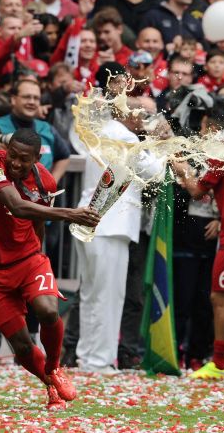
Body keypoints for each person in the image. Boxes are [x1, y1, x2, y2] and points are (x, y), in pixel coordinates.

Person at [0, 128, 100, 409]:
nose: (15, 163)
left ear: (36, 159)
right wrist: (71, 214)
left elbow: (37, 223)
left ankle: (54, 368)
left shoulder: (45, 180)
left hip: (29, 259)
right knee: (21, 345)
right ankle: (51, 385)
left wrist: (38, 259)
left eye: (23, 159)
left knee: (48, 310)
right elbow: (18, 207)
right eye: (12, 156)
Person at [72, 65, 164, 374]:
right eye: (135, 109)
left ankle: (88, 356)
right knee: (108, 297)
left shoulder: (97, 131)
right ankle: (98, 361)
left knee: (91, 294)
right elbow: (155, 172)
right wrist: (161, 143)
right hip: (110, 227)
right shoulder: (122, 135)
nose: (139, 115)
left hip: (90, 219)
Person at [172, 107, 224, 380]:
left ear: (212, 129)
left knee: (219, 296)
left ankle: (220, 363)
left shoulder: (221, 154)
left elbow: (197, 191)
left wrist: (182, 169)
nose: (201, 134)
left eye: (203, 129)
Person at [0, 79, 70, 182]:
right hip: (4, 191)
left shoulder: (47, 129)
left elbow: (64, 156)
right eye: (26, 97)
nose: (32, 102)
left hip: (40, 195)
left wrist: (51, 183)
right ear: (13, 99)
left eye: (36, 98)